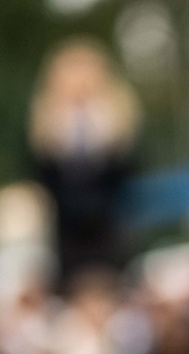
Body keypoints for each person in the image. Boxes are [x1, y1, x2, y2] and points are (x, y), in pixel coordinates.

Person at [29, 41, 139, 290]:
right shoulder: (47, 130)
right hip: (69, 240)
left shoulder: (116, 124)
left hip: (108, 235)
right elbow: (44, 179)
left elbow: (125, 177)